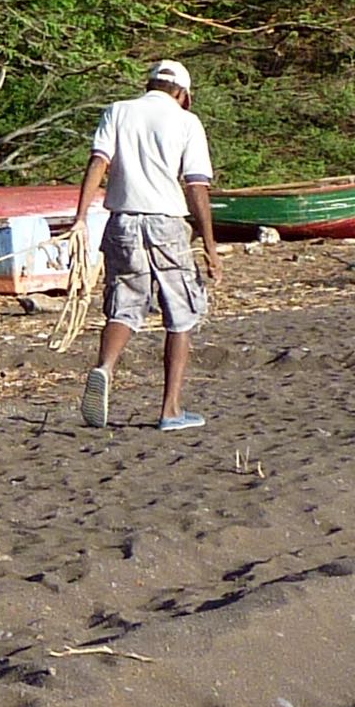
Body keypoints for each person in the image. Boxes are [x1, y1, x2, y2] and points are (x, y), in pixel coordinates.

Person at [75, 59, 221, 432]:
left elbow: (98, 163)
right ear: (182, 94)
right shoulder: (187, 122)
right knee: (181, 314)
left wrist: (80, 218)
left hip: (122, 221)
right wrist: (210, 244)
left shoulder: (118, 111)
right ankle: (170, 410)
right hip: (166, 223)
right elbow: (196, 187)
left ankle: (105, 368)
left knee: (124, 306)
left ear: (150, 84)